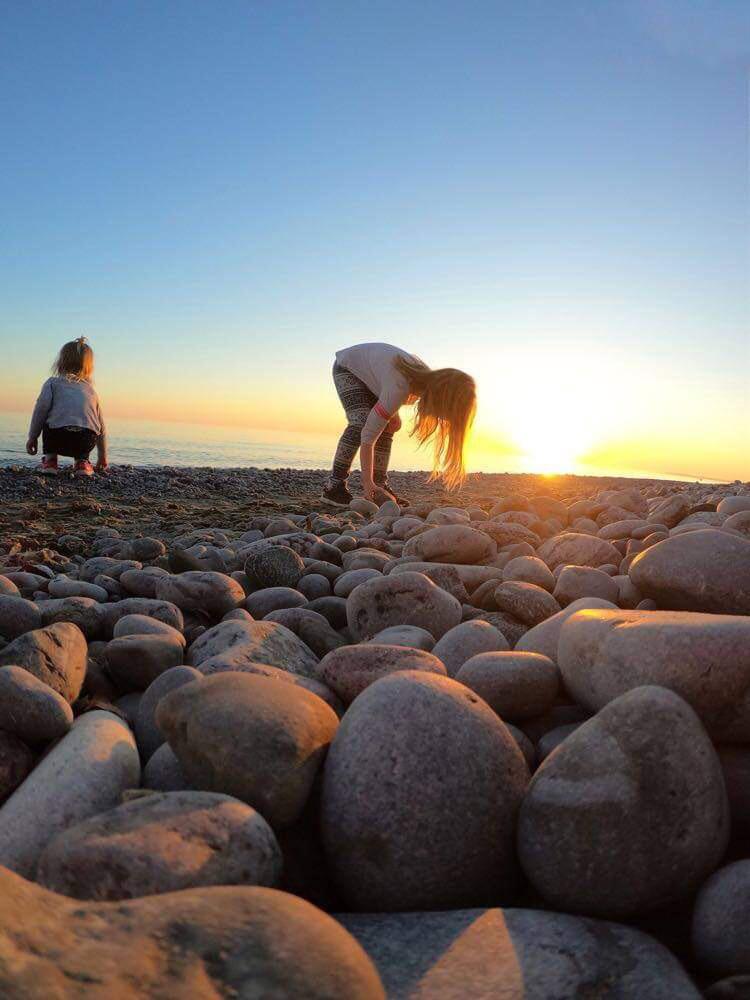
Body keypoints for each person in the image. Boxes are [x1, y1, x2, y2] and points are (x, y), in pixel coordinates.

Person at [323, 342, 476, 507]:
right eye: (445, 414)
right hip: (348, 368)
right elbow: (367, 438)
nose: (442, 419)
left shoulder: (424, 381)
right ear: (440, 400)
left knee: (391, 424)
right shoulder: (399, 386)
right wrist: (367, 485)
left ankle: (380, 485)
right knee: (361, 423)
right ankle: (334, 486)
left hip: (373, 374)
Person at [26, 337, 108, 477]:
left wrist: (32, 437)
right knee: (89, 428)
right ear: (89, 367)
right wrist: (102, 456)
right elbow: (101, 426)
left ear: (60, 362)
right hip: (85, 441)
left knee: (48, 419)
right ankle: (82, 463)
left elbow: (40, 411)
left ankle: (51, 461)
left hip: (57, 438)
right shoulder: (90, 390)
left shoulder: (52, 383)